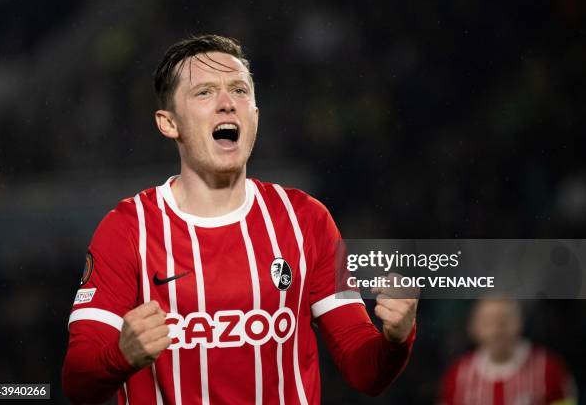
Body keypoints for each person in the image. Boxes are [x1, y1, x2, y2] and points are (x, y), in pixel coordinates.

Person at [62, 35, 417, 405]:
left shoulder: (306, 220)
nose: (227, 103)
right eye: (205, 93)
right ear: (169, 123)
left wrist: (396, 339)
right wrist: (119, 357)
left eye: (239, 90)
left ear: (255, 115)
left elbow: (366, 372)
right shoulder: (127, 230)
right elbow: (77, 382)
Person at [439, 298, 576, 405]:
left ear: (520, 322)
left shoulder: (548, 368)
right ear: (474, 327)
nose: (496, 330)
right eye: (488, 322)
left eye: (503, 321)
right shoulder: (457, 375)